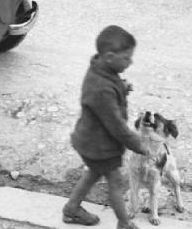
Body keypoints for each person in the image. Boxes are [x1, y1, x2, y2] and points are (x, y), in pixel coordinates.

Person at [62, 25, 149, 229]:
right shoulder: (102, 88)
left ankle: (71, 208)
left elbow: (107, 91)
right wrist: (138, 145)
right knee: (116, 184)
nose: (131, 62)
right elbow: (116, 125)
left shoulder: (101, 70)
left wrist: (122, 88)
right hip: (100, 146)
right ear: (109, 57)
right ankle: (124, 223)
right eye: (127, 58)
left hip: (91, 140)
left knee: (92, 174)